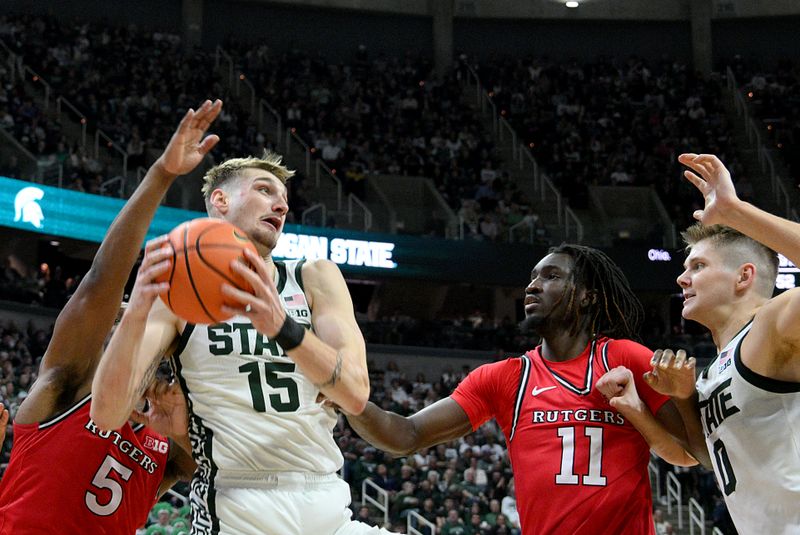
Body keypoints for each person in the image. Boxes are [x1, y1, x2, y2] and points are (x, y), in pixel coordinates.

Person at [90, 149, 391, 535]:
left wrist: (284, 327)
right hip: (237, 501)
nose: (281, 204)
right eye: (265, 190)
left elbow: (355, 393)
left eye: (284, 198)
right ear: (221, 200)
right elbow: (107, 413)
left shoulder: (314, 277)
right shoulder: (176, 292)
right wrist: (137, 311)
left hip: (327, 497)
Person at [342, 244, 695, 534]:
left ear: (586, 296)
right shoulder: (503, 377)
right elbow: (407, 435)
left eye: (551, 276)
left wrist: (656, 404)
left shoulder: (626, 358)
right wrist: (343, 392)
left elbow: (690, 450)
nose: (533, 285)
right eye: (532, 277)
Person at [0, 99, 223, 532]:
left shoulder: (170, 432)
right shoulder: (70, 382)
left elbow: (221, 462)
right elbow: (101, 279)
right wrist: (162, 174)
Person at [642, 153, 800, 533]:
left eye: (698, 266)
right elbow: (707, 460)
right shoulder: (716, 367)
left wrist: (735, 212)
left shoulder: (771, 325)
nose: (682, 279)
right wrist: (680, 400)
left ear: (744, 277)